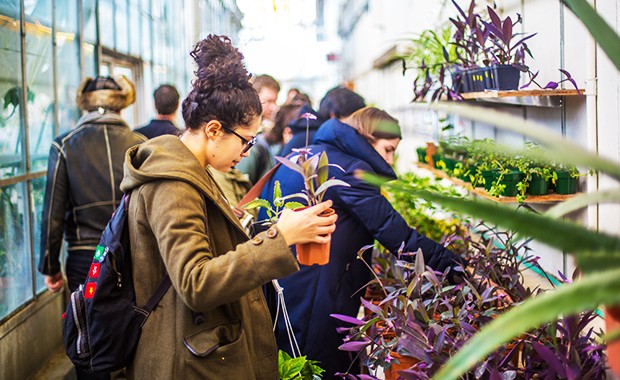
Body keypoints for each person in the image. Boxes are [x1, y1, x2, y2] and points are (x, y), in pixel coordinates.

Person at [119, 35, 337, 379]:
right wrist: (280, 237)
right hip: (187, 360)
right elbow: (196, 282)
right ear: (214, 129)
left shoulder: (190, 171)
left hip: (197, 348)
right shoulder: (174, 185)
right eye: (245, 140)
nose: (247, 152)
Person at [259, 107, 466, 376]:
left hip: (287, 279)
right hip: (315, 290)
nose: (390, 160)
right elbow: (399, 239)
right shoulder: (352, 171)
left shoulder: (313, 151)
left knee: (292, 361)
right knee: (318, 365)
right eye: (388, 149)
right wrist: (458, 268)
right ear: (367, 138)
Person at [38, 75, 145, 380]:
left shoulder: (64, 145)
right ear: (122, 103)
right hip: (134, 256)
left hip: (87, 260)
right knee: (135, 330)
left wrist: (50, 266)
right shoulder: (141, 145)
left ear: (83, 102)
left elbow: (52, 214)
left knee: (87, 341)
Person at [280, 86, 365, 157]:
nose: (357, 127)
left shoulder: (307, 135)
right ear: (334, 116)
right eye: (354, 119)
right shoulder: (318, 141)